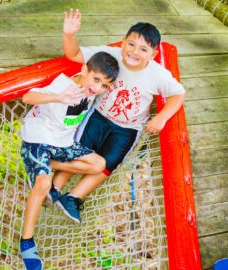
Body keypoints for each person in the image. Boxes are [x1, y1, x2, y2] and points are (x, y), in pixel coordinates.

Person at [52, 9, 186, 224]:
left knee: (108, 163)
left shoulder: (157, 74)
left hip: (128, 128)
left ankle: (73, 197)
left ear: (152, 55)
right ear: (123, 42)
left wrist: (161, 117)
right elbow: (74, 55)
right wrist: (69, 34)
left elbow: (178, 94)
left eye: (143, 49)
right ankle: (54, 188)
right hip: (99, 115)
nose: (134, 52)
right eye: (131, 44)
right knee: (79, 149)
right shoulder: (111, 55)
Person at [19, 51, 119, 270]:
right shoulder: (63, 85)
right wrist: (57, 97)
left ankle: (45, 165)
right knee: (44, 184)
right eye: (96, 79)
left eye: (104, 85)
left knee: (99, 164)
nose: (97, 88)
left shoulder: (91, 90)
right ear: (84, 70)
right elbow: (28, 97)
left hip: (61, 144)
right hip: (38, 140)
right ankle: (26, 241)